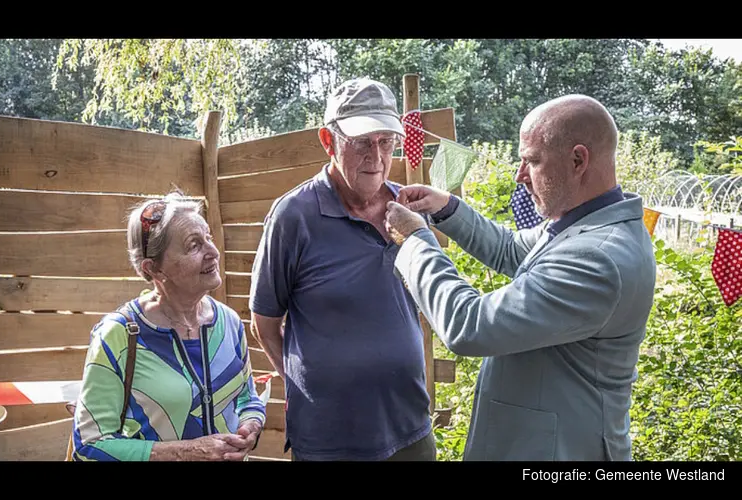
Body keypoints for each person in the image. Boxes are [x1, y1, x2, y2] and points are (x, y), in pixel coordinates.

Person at [384, 94, 656, 461]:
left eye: (531, 161)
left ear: (578, 160)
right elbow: (512, 248)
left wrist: (416, 241)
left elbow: (470, 326)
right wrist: (447, 208)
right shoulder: (582, 225)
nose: (520, 175)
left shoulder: (598, 257)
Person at [249, 77, 436, 461]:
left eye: (386, 141)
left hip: (409, 429)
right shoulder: (293, 216)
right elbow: (264, 321)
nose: (377, 156)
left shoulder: (408, 212)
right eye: (362, 142)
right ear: (328, 140)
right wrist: (312, 384)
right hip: (329, 442)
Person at [69, 192, 266, 461]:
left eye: (208, 237)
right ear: (154, 269)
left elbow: (247, 397)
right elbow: (90, 444)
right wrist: (185, 452)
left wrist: (252, 425)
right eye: (194, 245)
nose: (213, 252)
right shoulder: (118, 335)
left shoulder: (229, 321)